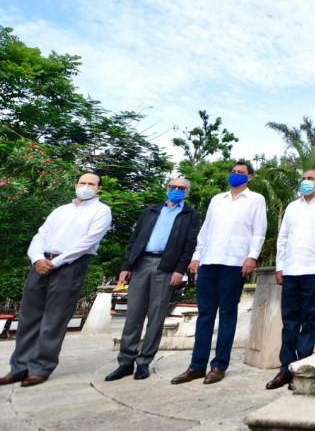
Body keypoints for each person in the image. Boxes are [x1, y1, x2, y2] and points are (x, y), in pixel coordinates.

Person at [0, 173, 112, 387]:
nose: (86, 186)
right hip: (41, 264)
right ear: (76, 184)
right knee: (27, 317)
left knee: (54, 320)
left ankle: (40, 368)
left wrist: (56, 262)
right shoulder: (60, 211)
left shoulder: (102, 211)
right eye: (82, 182)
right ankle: (19, 368)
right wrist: (37, 259)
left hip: (70, 266)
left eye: (91, 184)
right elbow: (39, 236)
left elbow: (87, 242)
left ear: (99, 189)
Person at [171, 161, 267, 385]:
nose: (235, 175)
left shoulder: (255, 200)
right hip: (209, 261)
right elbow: (205, 230)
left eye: (241, 173)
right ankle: (196, 366)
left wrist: (252, 256)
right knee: (205, 314)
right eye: (233, 172)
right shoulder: (217, 200)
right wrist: (197, 256)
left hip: (235, 262)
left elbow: (259, 231)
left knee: (227, 314)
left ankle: (218, 365)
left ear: (250, 177)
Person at [104, 177, 200, 382]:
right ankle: (125, 362)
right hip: (141, 264)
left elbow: (190, 245)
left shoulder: (190, 215)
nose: (176, 190)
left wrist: (179, 270)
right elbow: (135, 238)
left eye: (181, 188)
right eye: (172, 186)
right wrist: (126, 266)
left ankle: (144, 362)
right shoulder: (151, 211)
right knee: (133, 315)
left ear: (187, 193)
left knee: (156, 316)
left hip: (166, 267)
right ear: (167, 188)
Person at [266, 170, 315, 390]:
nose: (306, 182)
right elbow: (283, 238)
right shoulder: (292, 207)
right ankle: (285, 370)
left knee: (308, 322)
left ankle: (301, 368)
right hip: (291, 270)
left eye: (311, 179)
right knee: (289, 321)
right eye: (304, 178)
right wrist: (280, 267)